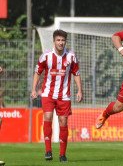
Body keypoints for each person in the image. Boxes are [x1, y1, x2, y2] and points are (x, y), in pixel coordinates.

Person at [31, 30, 83, 162]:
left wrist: (79, 90)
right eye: (58, 40)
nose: (60, 42)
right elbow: (38, 72)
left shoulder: (71, 56)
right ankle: (48, 150)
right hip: (48, 93)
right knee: (47, 117)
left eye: (63, 40)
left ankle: (62, 154)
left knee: (63, 121)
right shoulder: (46, 56)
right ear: (54, 41)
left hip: (64, 95)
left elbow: (76, 73)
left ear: (66, 41)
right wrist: (33, 89)